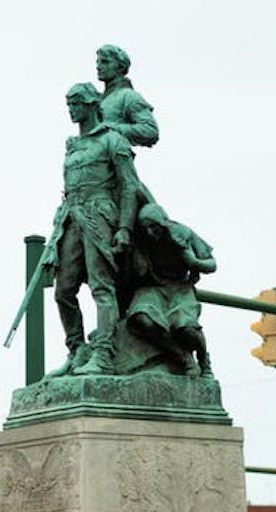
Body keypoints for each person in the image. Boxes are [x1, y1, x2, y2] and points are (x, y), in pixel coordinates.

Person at [43, 82, 140, 376]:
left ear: (90, 104)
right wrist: (53, 239)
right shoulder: (73, 146)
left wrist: (124, 228)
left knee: (101, 287)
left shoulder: (113, 141)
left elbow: (129, 187)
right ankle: (77, 350)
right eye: (68, 104)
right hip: (71, 220)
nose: (71, 109)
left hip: (101, 218)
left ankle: (104, 354)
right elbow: (67, 193)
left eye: (76, 103)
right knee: (63, 291)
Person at [125, 202, 216, 376]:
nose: (151, 232)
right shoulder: (140, 242)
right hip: (153, 288)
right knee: (142, 318)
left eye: (154, 226)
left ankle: (204, 360)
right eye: (146, 229)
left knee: (187, 328)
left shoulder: (182, 234)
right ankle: (182, 358)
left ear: (163, 222)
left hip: (180, 288)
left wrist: (195, 263)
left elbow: (212, 263)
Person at [96, 45, 159, 149]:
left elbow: (150, 131)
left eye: (105, 62)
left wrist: (111, 128)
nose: (98, 66)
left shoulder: (128, 96)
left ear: (120, 66)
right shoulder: (97, 100)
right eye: (97, 62)